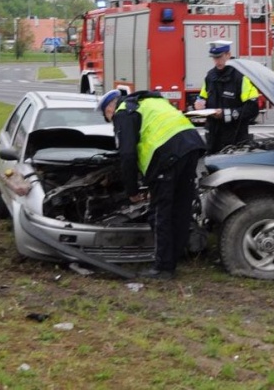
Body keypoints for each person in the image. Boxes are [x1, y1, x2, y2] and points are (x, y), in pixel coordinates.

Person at [97, 88, 206, 280]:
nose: (112, 121)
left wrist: (132, 190)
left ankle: (162, 268)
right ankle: (174, 258)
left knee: (160, 212)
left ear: (110, 109)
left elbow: (128, 155)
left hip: (168, 154)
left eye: (108, 117)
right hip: (191, 146)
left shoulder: (123, 112)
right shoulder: (148, 101)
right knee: (180, 208)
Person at [193, 40, 260, 154]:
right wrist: (199, 103)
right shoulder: (210, 76)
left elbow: (252, 109)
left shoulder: (241, 77)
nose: (217, 61)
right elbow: (202, 97)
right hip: (213, 137)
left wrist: (225, 114)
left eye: (220, 57)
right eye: (214, 58)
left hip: (235, 138)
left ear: (228, 54)